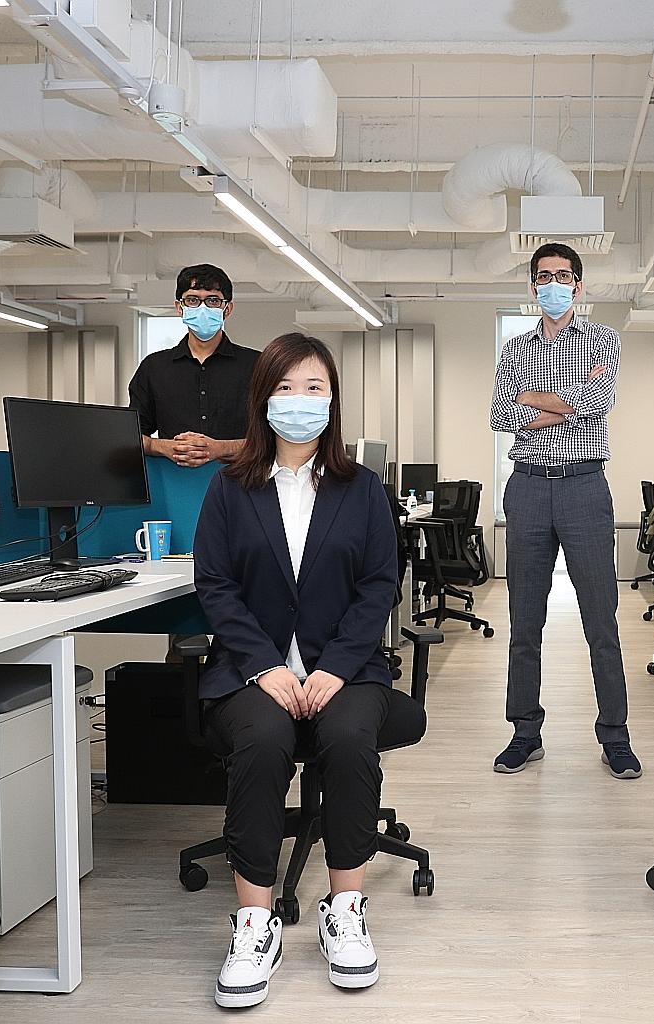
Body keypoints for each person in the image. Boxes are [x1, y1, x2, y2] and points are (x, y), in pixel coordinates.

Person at [193, 332, 410, 1007]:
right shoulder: (230, 488)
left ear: (333, 400)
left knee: (348, 741)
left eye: (314, 387)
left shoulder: (362, 488)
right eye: (285, 387)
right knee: (261, 741)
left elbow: (380, 585)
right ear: (262, 400)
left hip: (346, 670)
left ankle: (343, 911)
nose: (299, 401)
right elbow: (215, 585)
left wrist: (338, 666)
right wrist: (262, 665)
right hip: (252, 673)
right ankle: (255, 920)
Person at [488, 242, 641, 780]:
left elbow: (599, 402)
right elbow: (498, 414)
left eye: (564, 276)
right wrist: (564, 400)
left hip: (584, 488)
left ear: (579, 285)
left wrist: (535, 399)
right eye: (543, 276)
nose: (554, 284)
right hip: (527, 488)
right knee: (523, 623)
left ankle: (615, 737)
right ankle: (524, 733)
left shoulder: (604, 340)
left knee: (601, 620)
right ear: (533, 286)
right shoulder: (513, 348)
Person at [129, 263, 260, 468]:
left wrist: (220, 449)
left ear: (228, 309)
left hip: (242, 484)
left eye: (213, 300)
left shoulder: (258, 366)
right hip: (173, 484)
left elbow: (275, 438)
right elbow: (132, 436)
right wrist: (164, 447)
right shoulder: (153, 368)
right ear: (179, 307)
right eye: (192, 300)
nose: (202, 308)